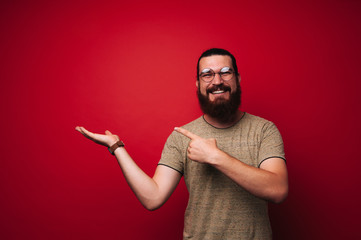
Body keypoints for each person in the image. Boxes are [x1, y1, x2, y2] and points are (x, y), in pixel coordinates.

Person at [76, 48, 288, 239]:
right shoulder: (182, 136)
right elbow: (153, 198)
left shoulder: (264, 130)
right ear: (198, 84)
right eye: (207, 74)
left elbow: (277, 190)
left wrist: (216, 157)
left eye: (225, 72)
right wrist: (116, 147)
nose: (217, 81)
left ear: (238, 79)